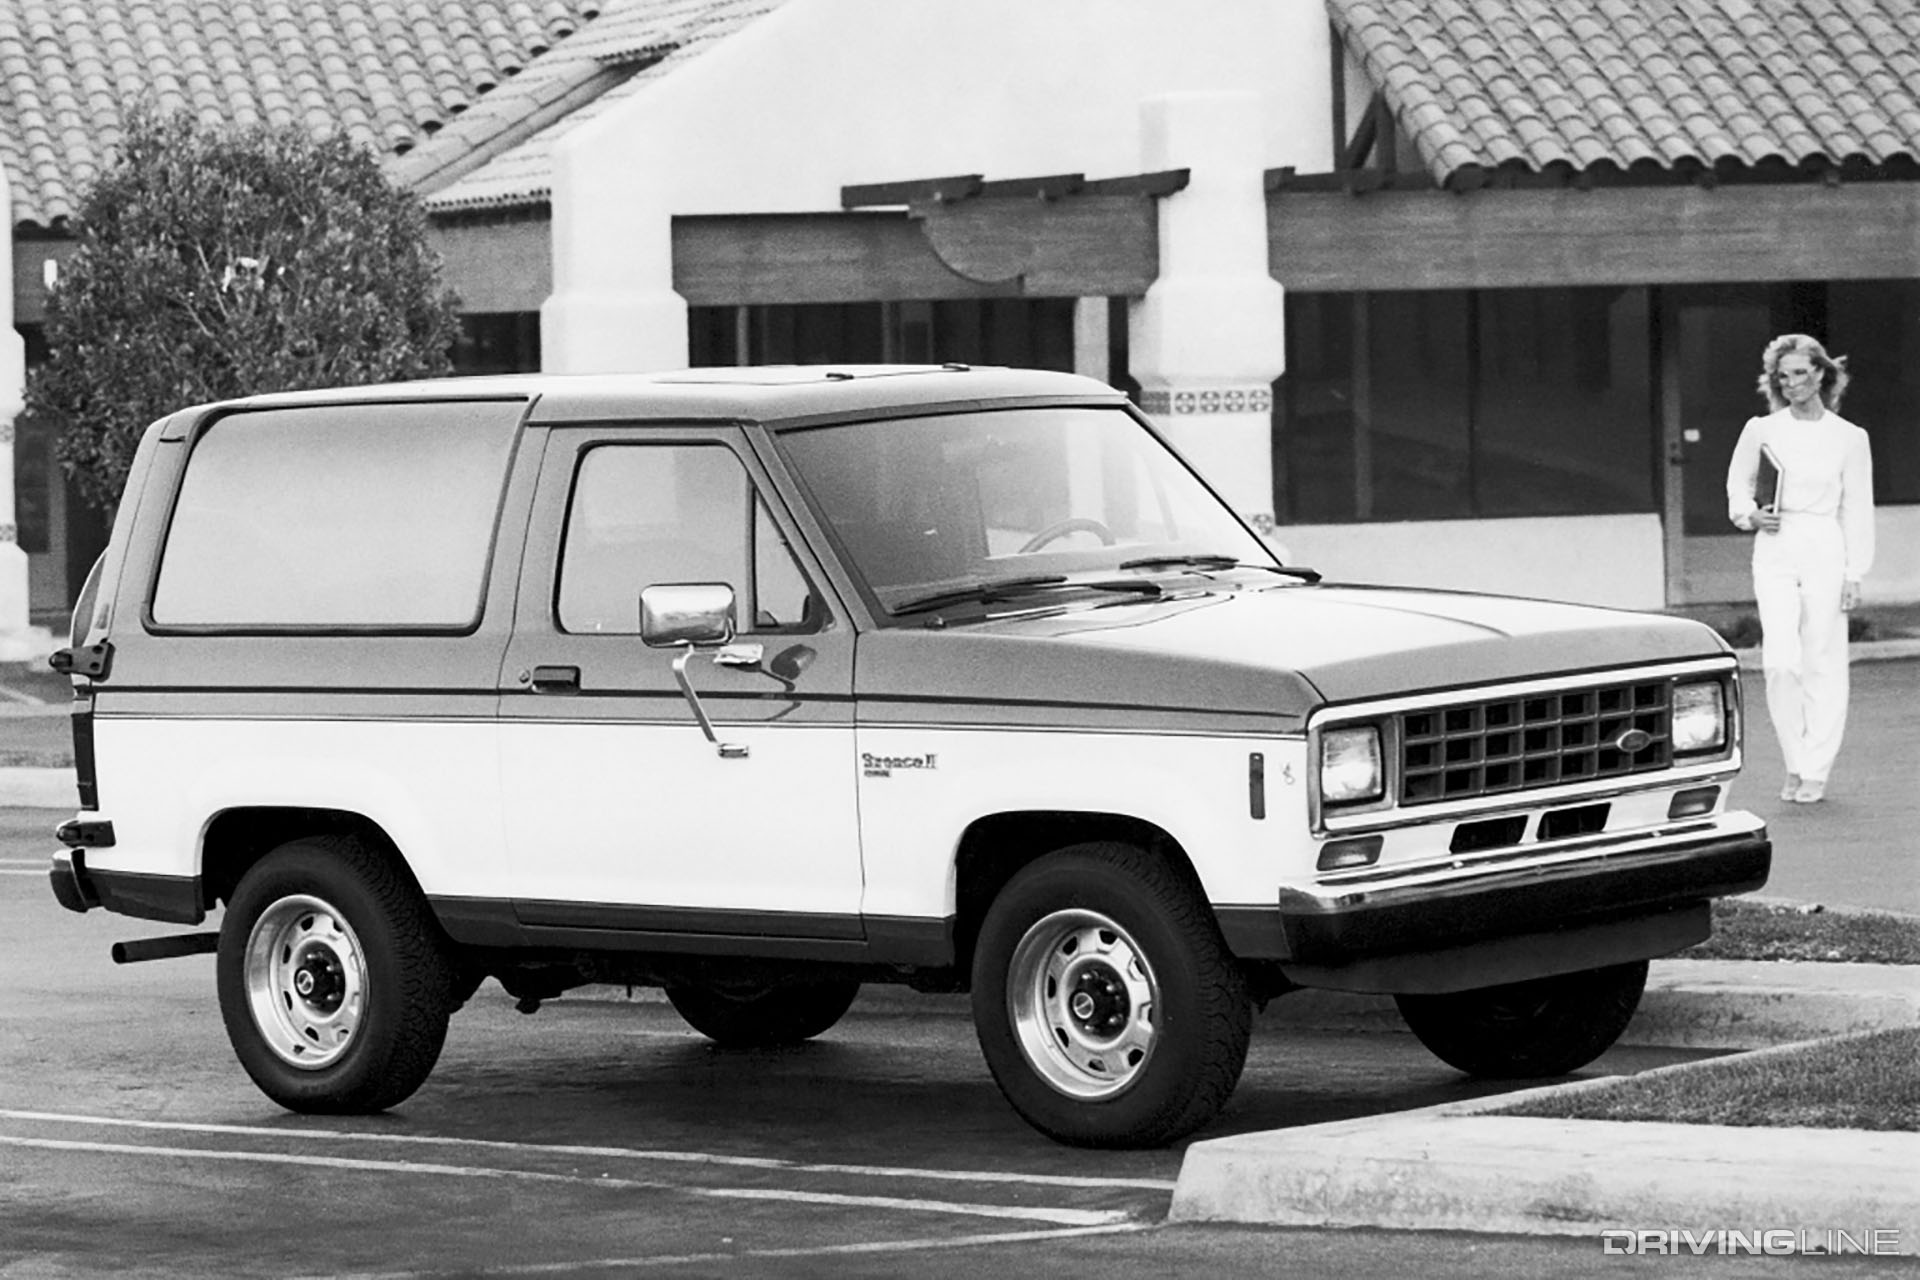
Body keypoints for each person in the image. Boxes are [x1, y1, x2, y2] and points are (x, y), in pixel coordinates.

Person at [1725, 333, 1875, 805]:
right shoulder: (1761, 429)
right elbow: (1738, 486)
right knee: (1781, 661)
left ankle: (1815, 769)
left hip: (1826, 547)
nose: (1792, 383)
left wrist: (1855, 572)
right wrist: (1750, 514)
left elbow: (1857, 509)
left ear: (1822, 375)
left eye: (1801, 373)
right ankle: (1795, 758)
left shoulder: (1849, 438)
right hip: (1775, 546)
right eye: (1783, 376)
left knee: (1824, 661)